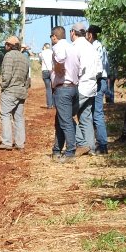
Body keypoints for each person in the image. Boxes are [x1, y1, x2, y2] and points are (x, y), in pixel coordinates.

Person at [70, 22, 102, 157]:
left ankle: (82, 143)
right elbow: (100, 70)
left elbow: (75, 69)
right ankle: (91, 148)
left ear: (73, 32)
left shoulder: (74, 47)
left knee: (66, 115)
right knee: (85, 117)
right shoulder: (92, 48)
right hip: (92, 87)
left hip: (81, 87)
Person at [50, 25, 80, 162]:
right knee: (60, 121)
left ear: (54, 37)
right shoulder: (72, 47)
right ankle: (56, 150)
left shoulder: (58, 47)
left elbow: (60, 59)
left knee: (66, 121)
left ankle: (70, 153)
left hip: (63, 88)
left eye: (52, 37)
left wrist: (58, 69)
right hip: (73, 87)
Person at [0, 35, 30, 150]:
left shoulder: (8, 56)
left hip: (10, 91)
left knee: (5, 115)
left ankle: (7, 142)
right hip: (21, 91)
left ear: (10, 46)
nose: (5, 46)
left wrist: (3, 87)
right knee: (18, 117)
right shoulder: (24, 57)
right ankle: (20, 143)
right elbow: (27, 78)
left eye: (6, 44)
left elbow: (7, 75)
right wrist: (24, 88)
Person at [86, 24, 110, 155]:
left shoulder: (94, 48)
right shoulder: (102, 47)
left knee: (97, 114)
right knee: (96, 113)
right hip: (103, 80)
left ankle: (103, 145)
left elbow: (98, 69)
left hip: (98, 81)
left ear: (90, 35)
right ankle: (100, 142)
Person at [38, 43, 54, 109]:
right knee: (54, 88)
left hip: (45, 71)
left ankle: (49, 105)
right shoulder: (52, 52)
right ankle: (55, 104)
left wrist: (43, 49)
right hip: (52, 71)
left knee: (48, 89)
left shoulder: (42, 53)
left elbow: (39, 59)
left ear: (44, 47)